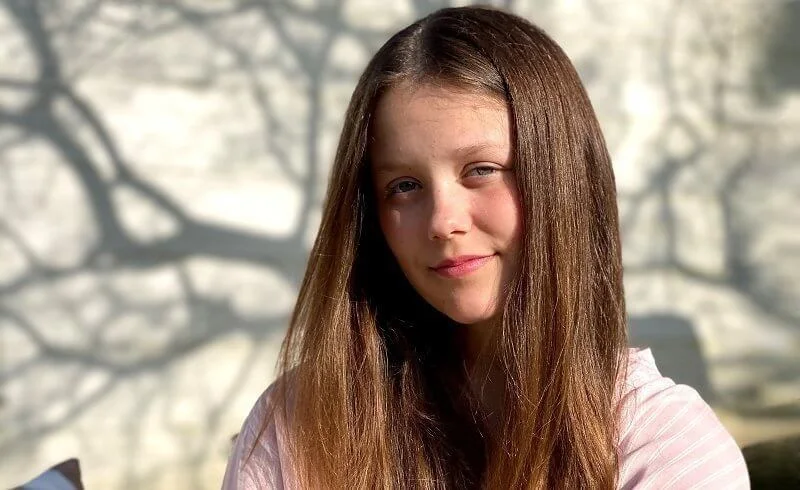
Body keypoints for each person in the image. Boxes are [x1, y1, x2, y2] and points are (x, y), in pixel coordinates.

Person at [222, 6, 749, 489]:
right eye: (404, 186)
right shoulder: (298, 427)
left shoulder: (665, 448)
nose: (443, 221)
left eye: (482, 170)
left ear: (562, 179)